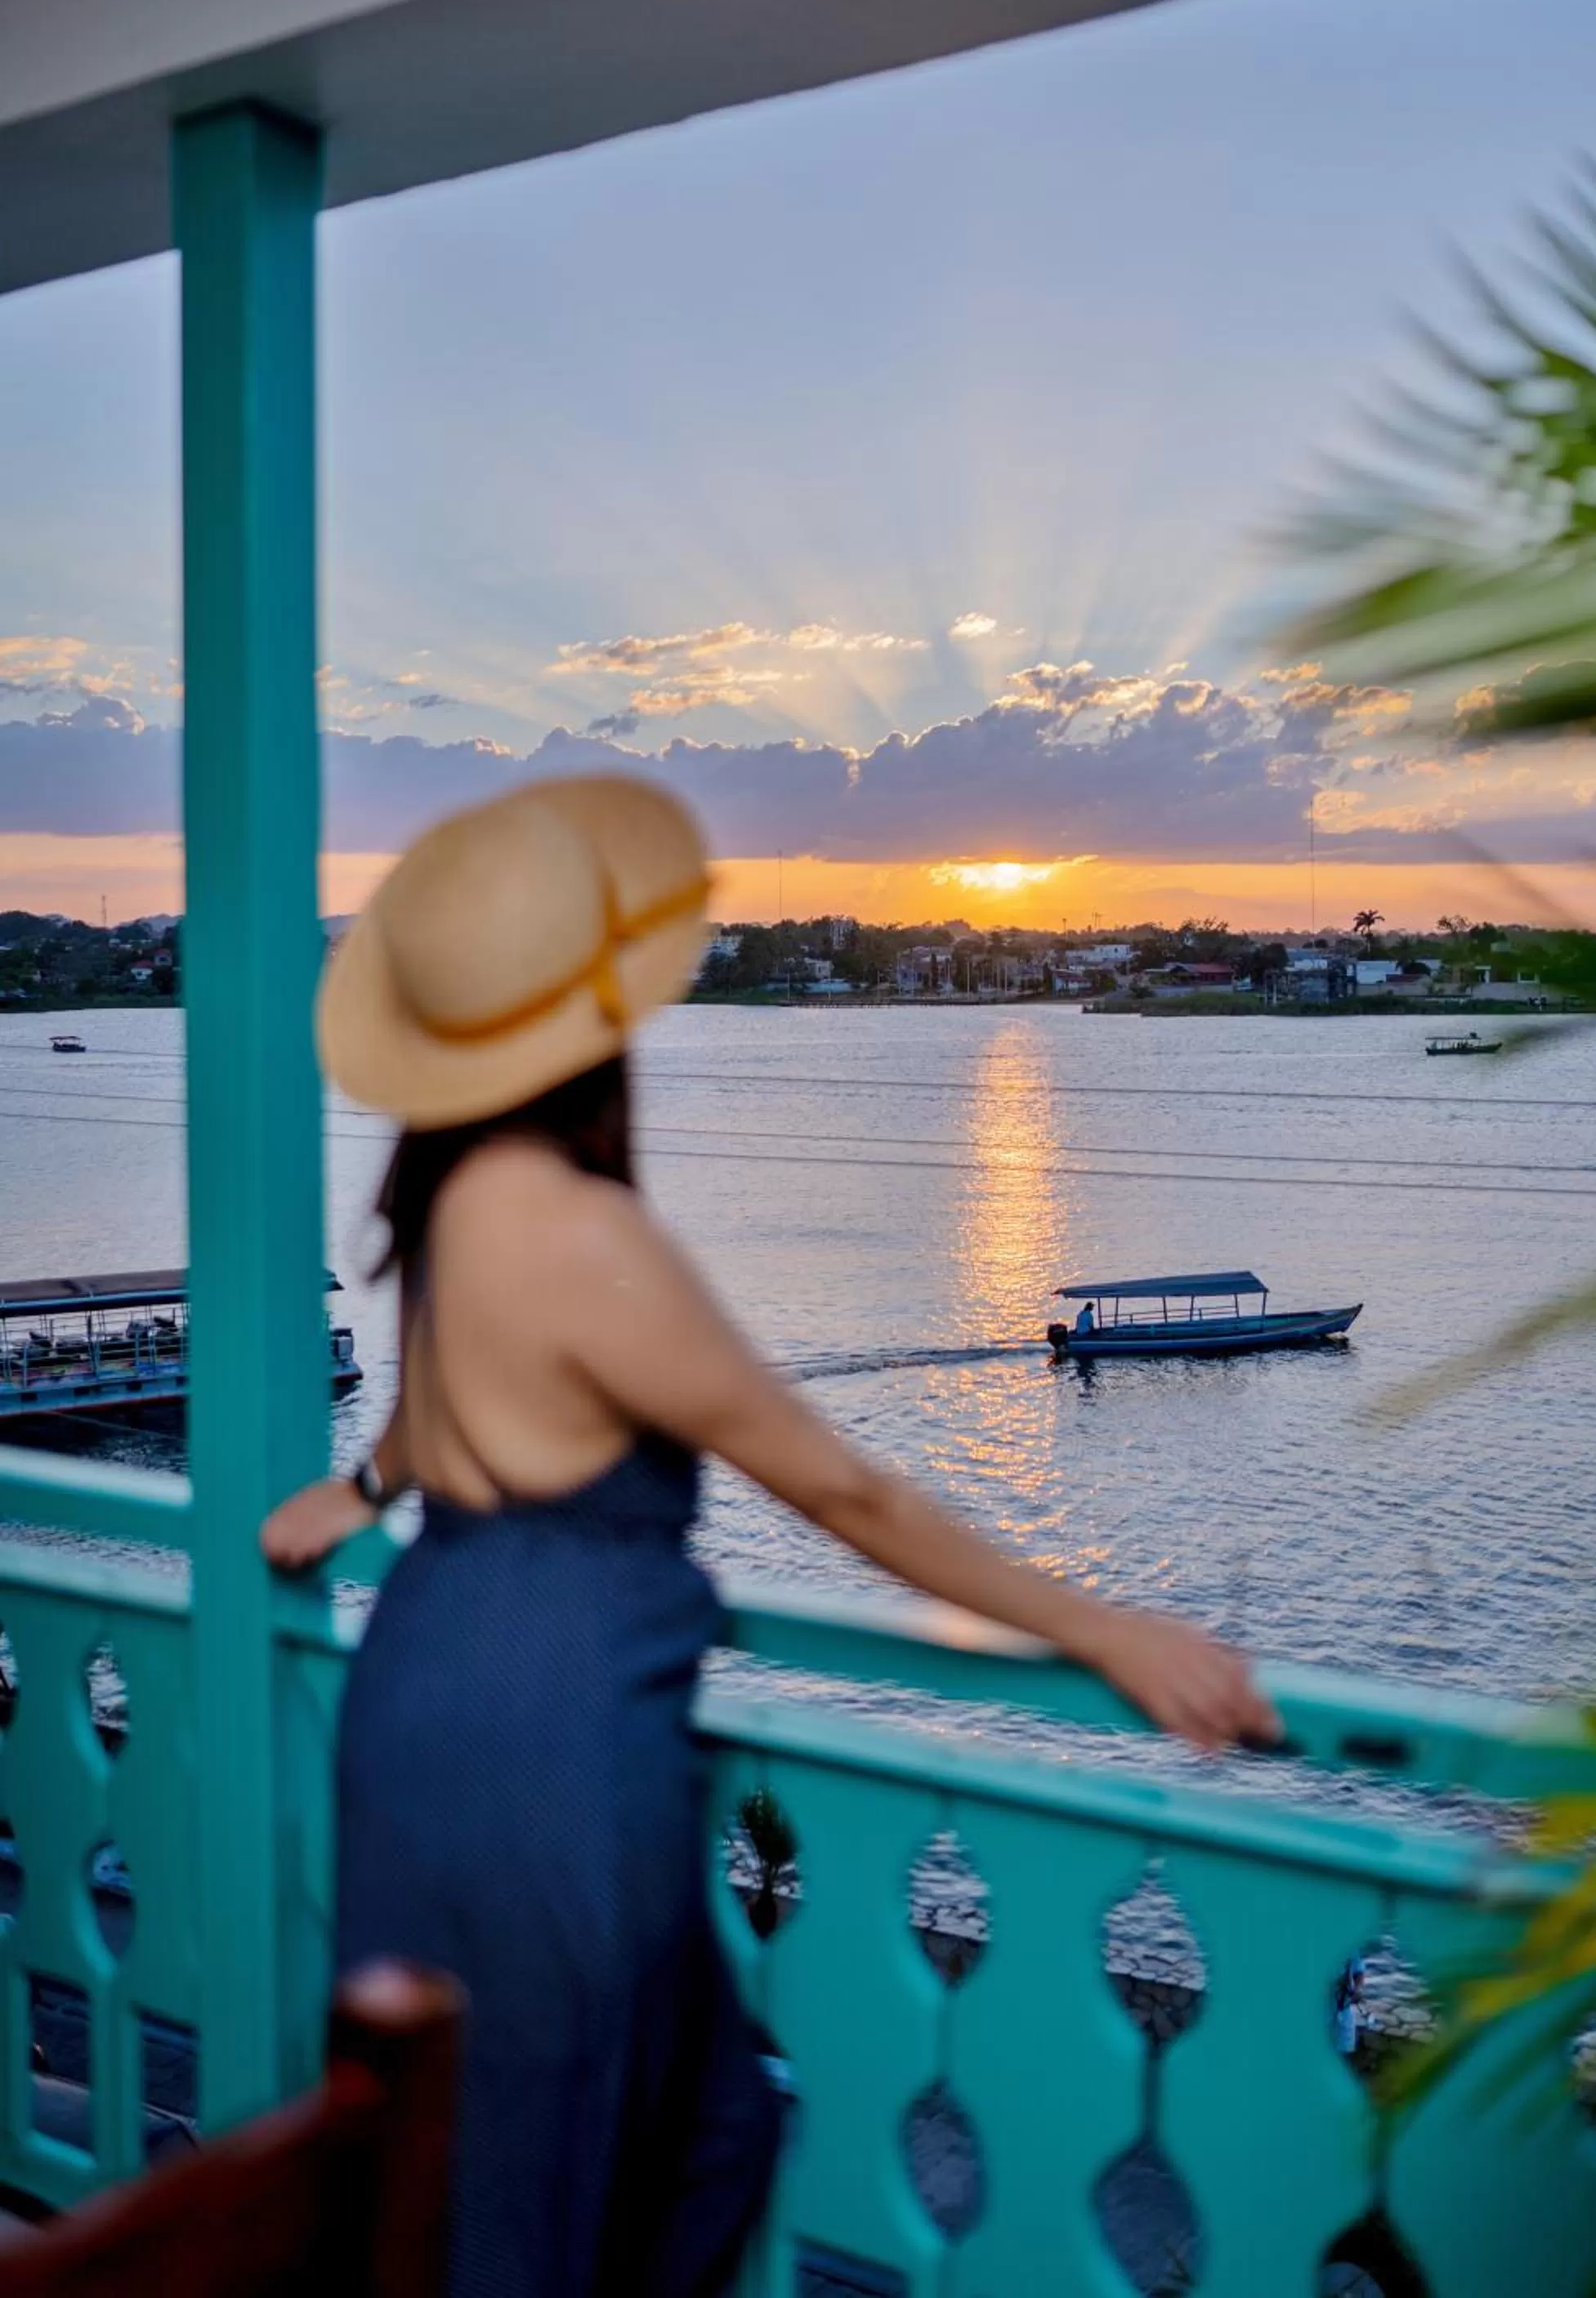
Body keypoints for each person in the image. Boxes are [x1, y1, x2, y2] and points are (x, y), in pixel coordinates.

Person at [263, 774, 1277, 2298]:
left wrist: (358, 1493)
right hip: (552, 1739)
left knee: (509, 2140)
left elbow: (440, 1403)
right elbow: (847, 1493)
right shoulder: (590, 1237)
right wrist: (1109, 1627)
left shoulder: (453, 1191)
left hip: (424, 1689)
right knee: (577, 2165)